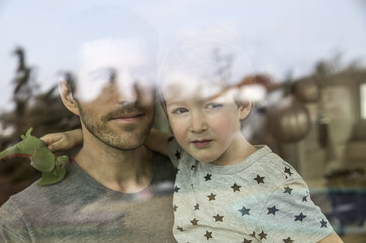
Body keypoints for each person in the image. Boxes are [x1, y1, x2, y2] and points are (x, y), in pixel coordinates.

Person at [41, 36, 344, 243]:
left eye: (212, 105)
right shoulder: (189, 157)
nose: (197, 125)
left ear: (243, 104)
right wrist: (76, 135)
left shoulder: (271, 183)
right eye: (181, 110)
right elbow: (147, 136)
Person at [0, 8, 176, 243]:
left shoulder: (203, 177)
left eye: (142, 74)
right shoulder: (21, 224)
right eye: (105, 78)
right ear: (69, 95)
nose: (130, 94)